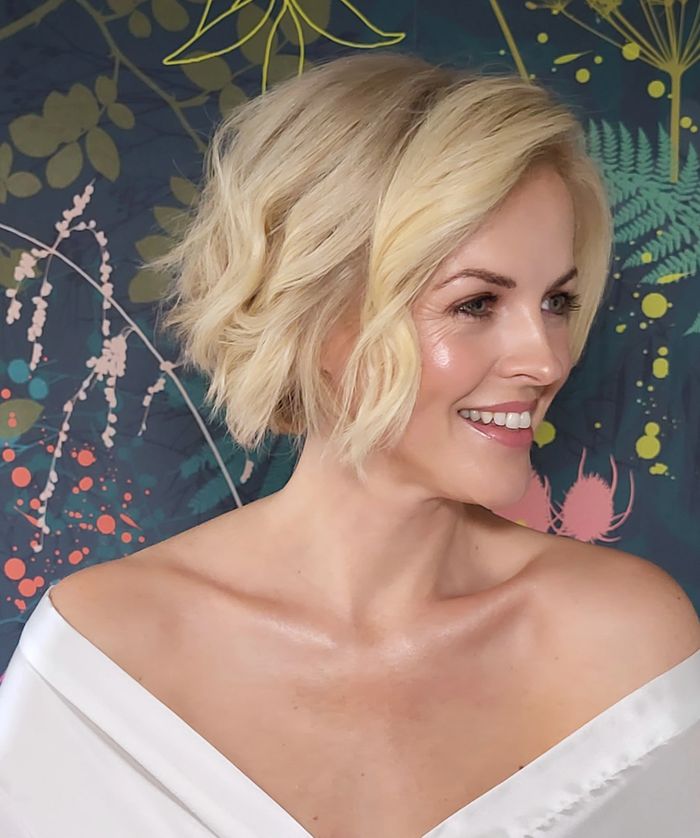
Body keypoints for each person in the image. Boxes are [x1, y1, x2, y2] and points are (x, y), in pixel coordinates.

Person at [0, 51, 698, 838]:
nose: (545, 361)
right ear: (316, 316)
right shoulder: (101, 660)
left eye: (557, 302)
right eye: (476, 304)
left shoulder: (624, 642)